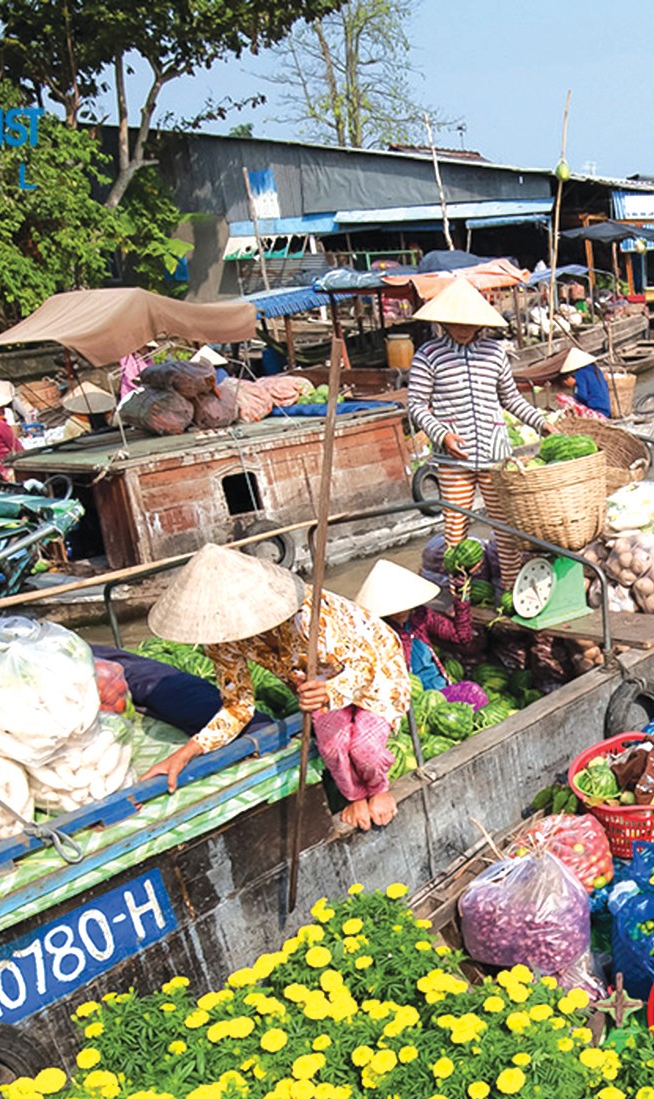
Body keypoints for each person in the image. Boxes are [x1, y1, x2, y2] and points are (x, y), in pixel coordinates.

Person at [142, 545, 414, 832]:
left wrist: (332, 692)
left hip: (375, 672)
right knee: (333, 747)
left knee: (363, 748)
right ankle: (355, 795)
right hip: (317, 682)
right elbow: (237, 705)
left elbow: (365, 665)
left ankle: (379, 788)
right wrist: (188, 752)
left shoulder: (310, 615)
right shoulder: (222, 638)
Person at [403, 276, 561, 592]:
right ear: (443, 320)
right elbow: (417, 406)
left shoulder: (494, 353)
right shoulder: (428, 355)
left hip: (495, 455)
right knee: (455, 529)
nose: (464, 328)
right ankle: (459, 595)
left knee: (504, 527)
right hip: (453, 459)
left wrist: (539, 421)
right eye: (456, 322)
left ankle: (512, 588)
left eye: (470, 323)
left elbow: (510, 398)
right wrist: (442, 435)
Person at [356, 558, 477, 693]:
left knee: (473, 691)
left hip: (438, 688)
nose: (401, 610)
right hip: (411, 697)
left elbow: (462, 636)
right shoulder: (377, 632)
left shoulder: (422, 616)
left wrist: (462, 597)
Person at [552, 346, 612, 418]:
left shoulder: (581, 373)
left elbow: (582, 396)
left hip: (596, 410)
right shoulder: (596, 370)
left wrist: (575, 398)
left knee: (564, 398)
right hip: (606, 410)